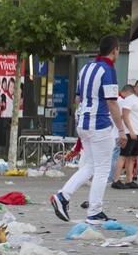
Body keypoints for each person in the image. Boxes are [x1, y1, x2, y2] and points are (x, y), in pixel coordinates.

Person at [50, 36, 126, 223]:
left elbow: (78, 99)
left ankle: (63, 196)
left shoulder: (86, 68)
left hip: (83, 123)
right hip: (99, 124)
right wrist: (122, 130)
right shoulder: (108, 69)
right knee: (102, 169)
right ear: (115, 50)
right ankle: (94, 211)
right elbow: (112, 102)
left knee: (91, 166)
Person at [112, 83, 138, 189]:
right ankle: (116, 180)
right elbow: (125, 115)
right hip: (129, 132)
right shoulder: (130, 99)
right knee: (123, 156)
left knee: (132, 158)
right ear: (135, 88)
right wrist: (130, 131)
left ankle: (129, 180)